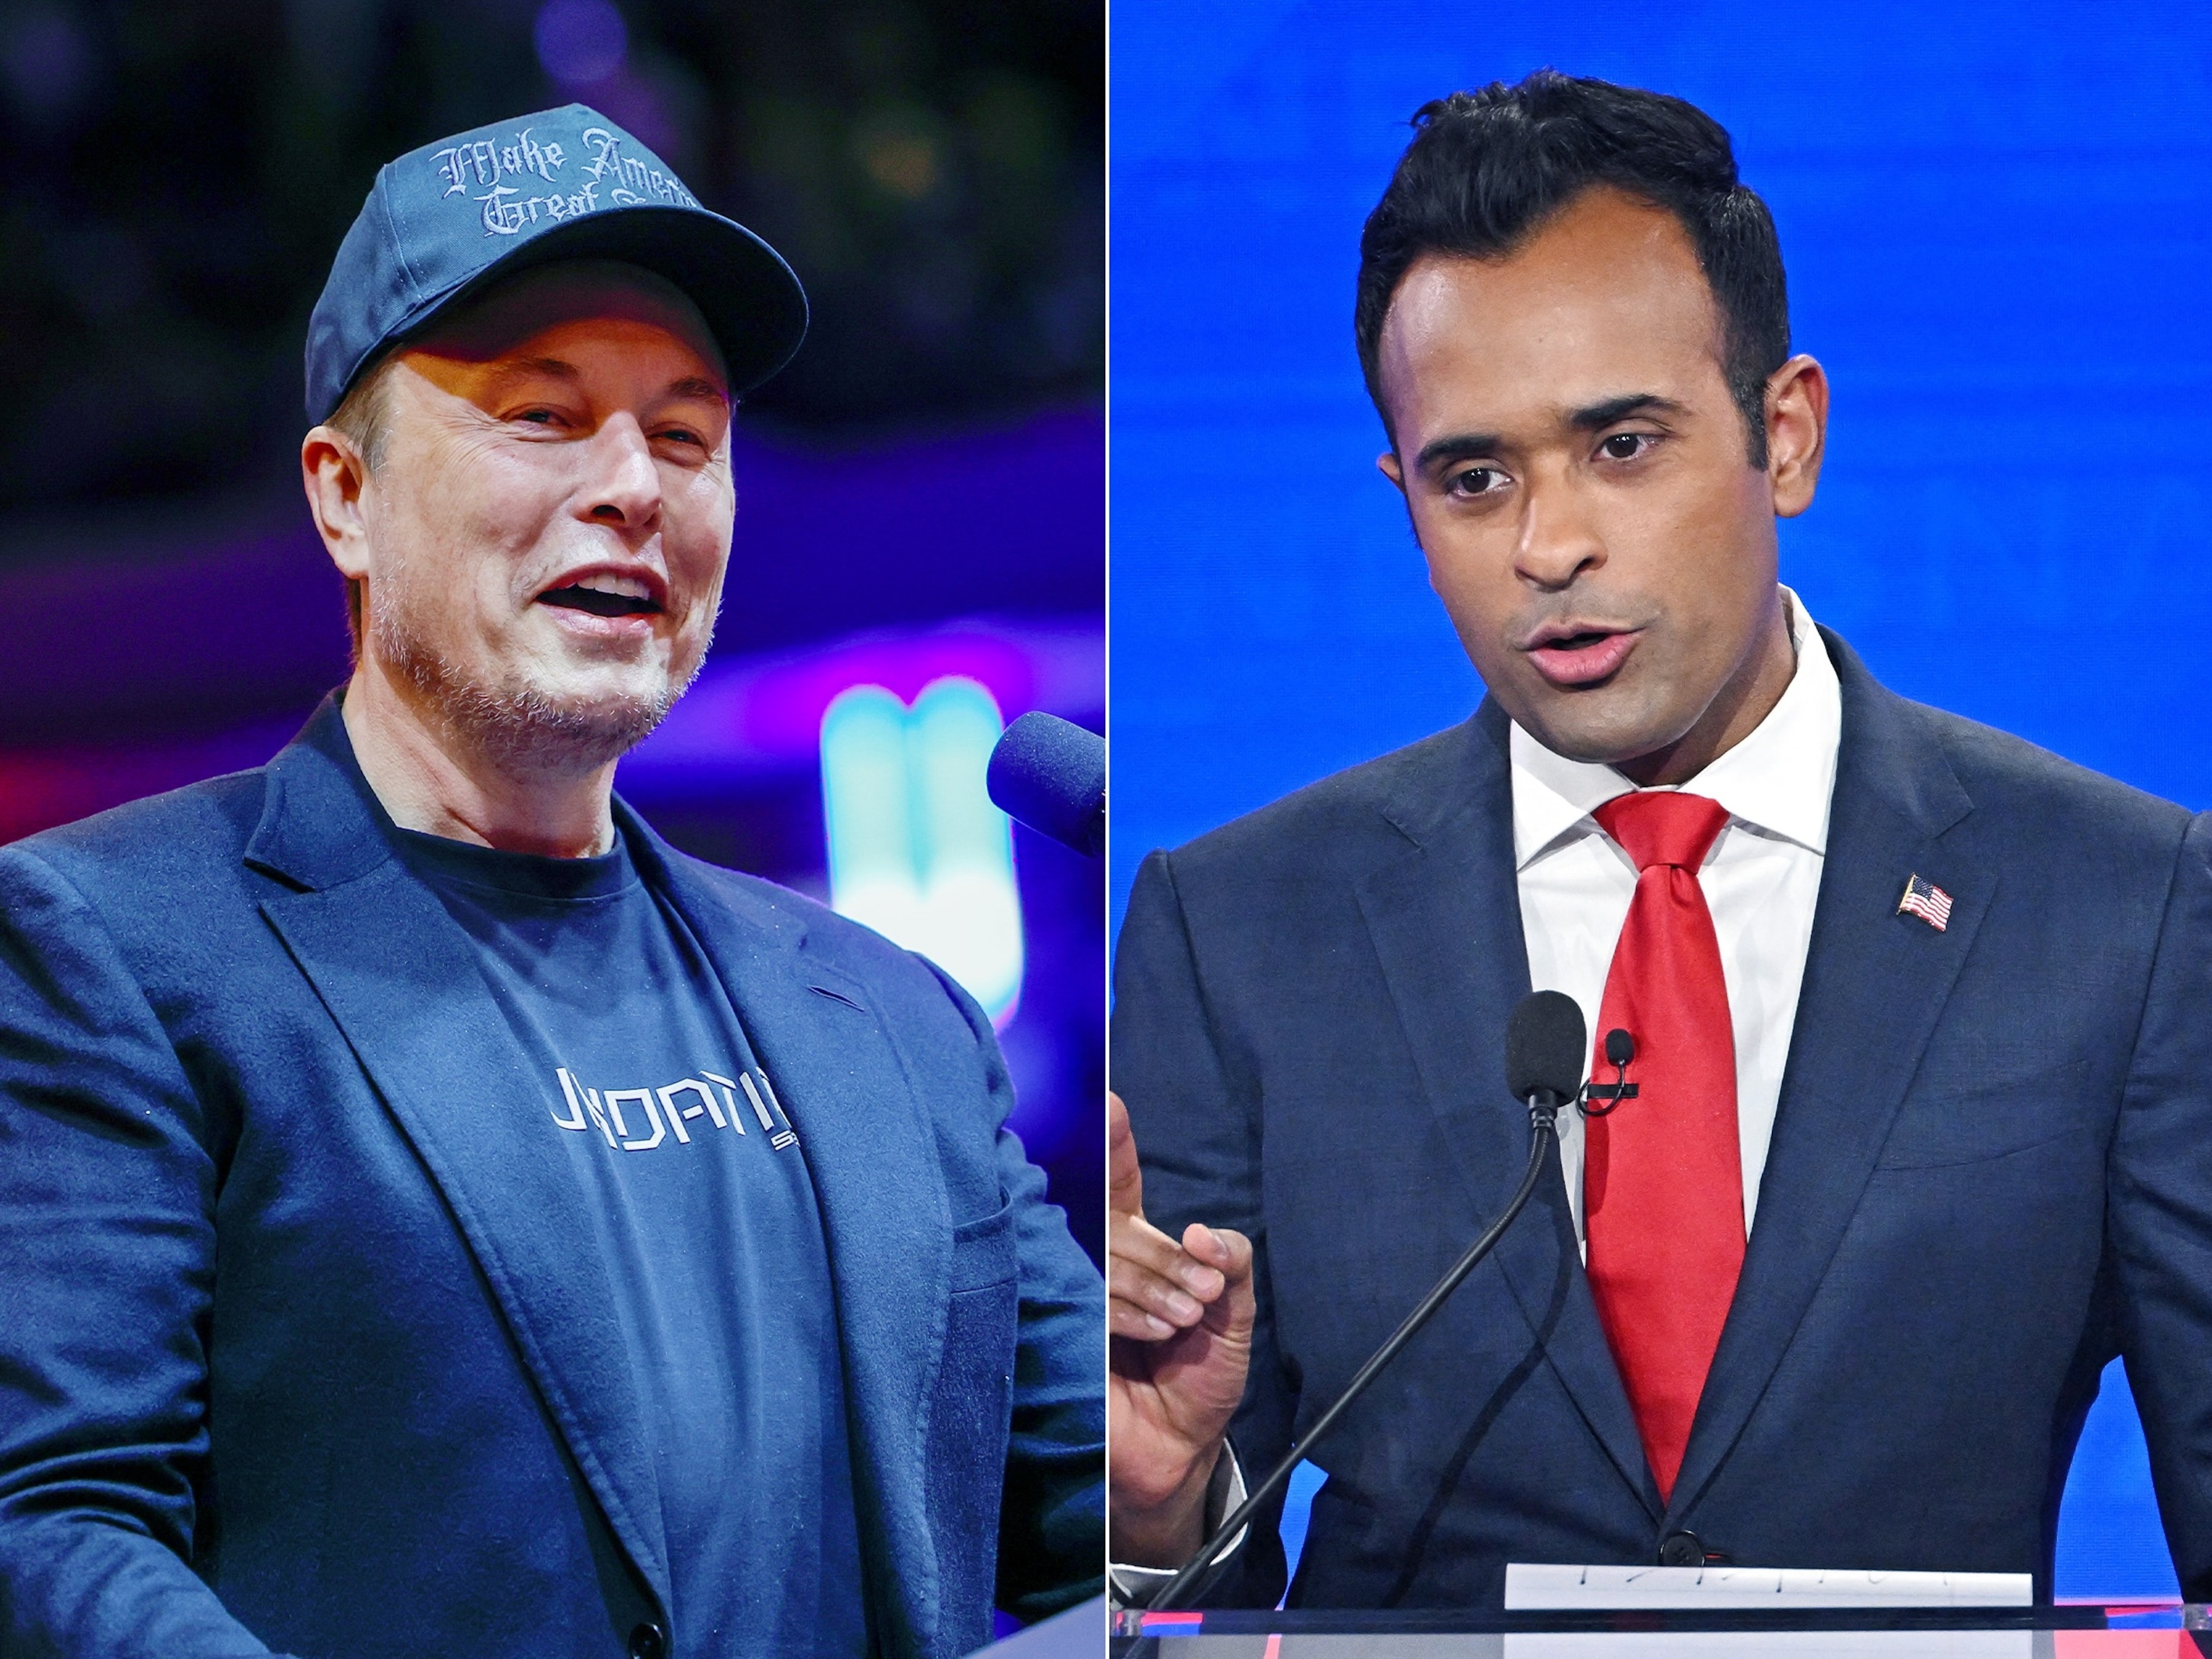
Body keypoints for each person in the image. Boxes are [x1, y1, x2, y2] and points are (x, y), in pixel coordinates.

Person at [0, 105, 1102, 1659]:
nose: (634, 487)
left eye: (685, 434)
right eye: (540, 414)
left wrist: (1184, 1473)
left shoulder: (895, 1019)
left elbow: (1096, 1525)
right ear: (344, 496)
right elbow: (50, 1528)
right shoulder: (108, 945)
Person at [1107, 71, 2212, 1609]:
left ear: (1789, 436)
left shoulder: (2125, 905)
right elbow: (1188, 1574)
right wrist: (1152, 1519)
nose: (1548, 547)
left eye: (1622, 446)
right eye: (1473, 476)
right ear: (1402, 500)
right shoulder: (1235, 931)